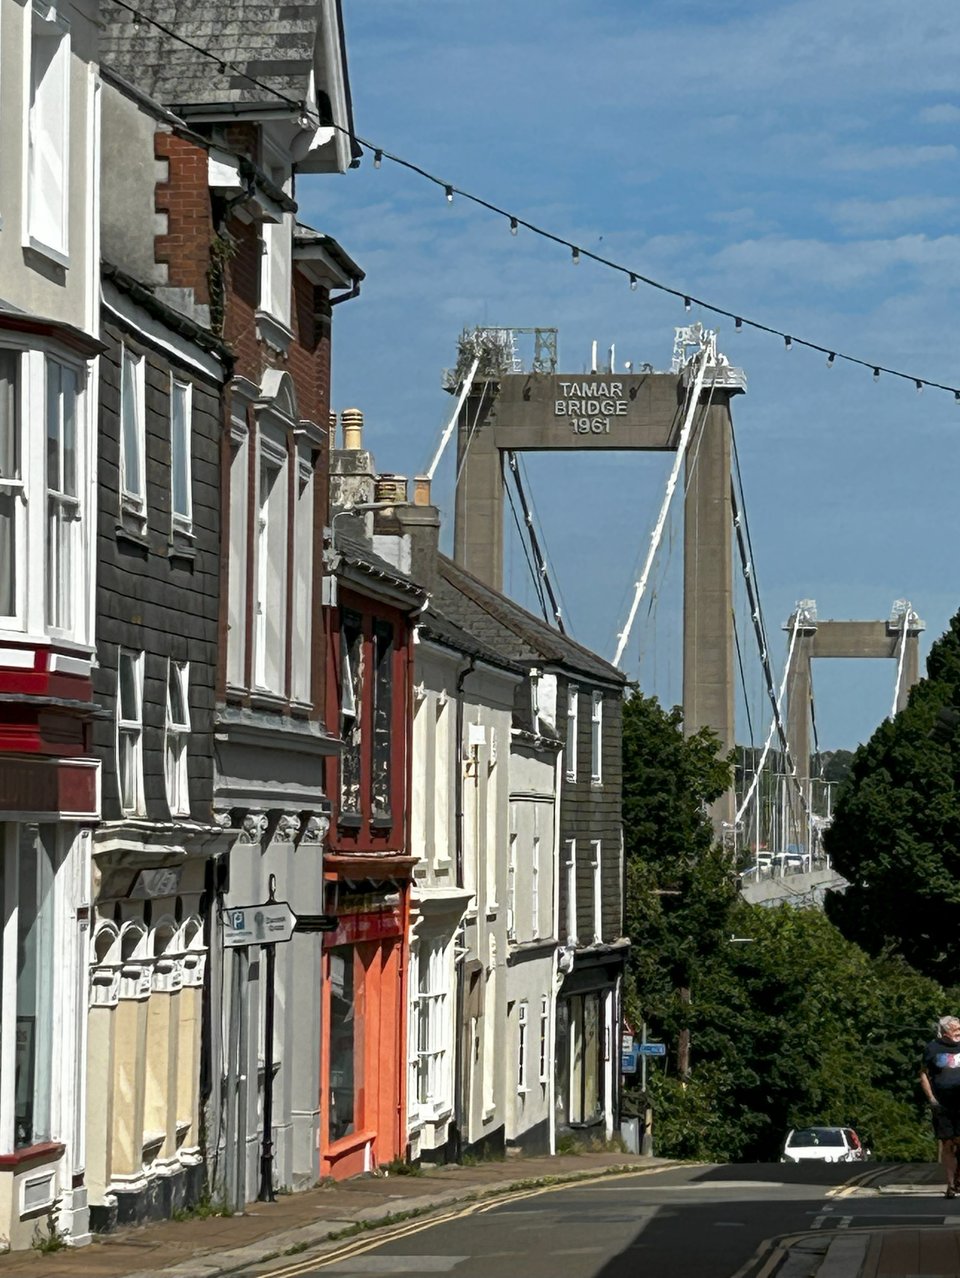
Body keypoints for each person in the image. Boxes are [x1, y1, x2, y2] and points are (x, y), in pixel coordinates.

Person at [920, 1015, 960, 1197]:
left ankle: (958, 1176)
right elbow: (923, 1075)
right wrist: (932, 1099)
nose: (959, 1033)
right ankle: (951, 1185)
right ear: (945, 1033)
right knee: (948, 1143)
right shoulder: (932, 1048)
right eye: (955, 1030)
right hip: (942, 1103)